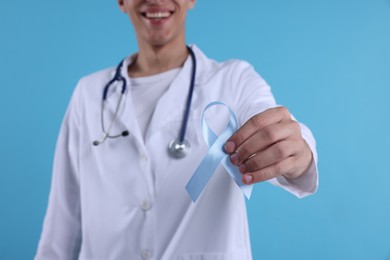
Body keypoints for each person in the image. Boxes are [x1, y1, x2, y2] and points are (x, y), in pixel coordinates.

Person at [35, 0, 318, 259]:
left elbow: (275, 127)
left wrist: (297, 151)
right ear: (121, 2)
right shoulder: (89, 93)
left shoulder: (233, 80)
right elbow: (62, 226)